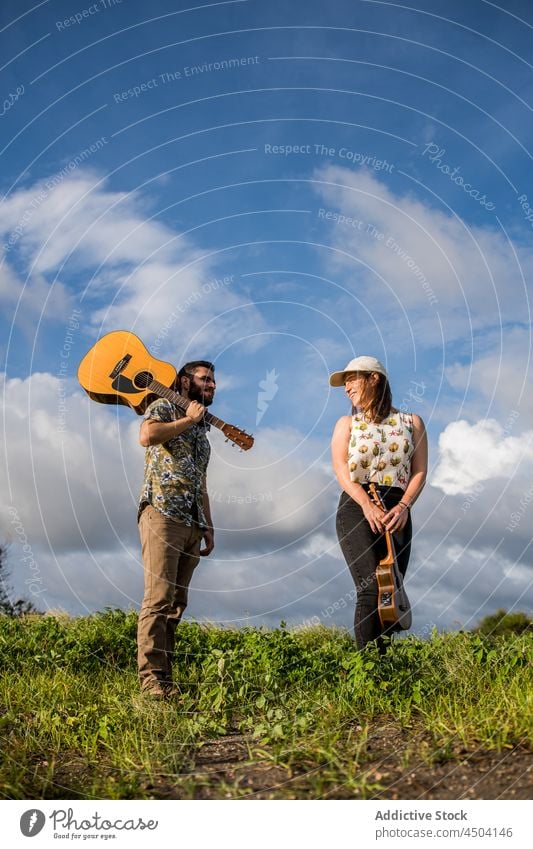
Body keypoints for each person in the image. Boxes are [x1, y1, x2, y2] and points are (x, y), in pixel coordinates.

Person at [330, 356, 427, 652]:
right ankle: (365, 670)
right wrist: (366, 505)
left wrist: (404, 506)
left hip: (398, 509)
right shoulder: (348, 423)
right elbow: (341, 468)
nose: (346, 388)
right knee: (370, 587)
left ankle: (382, 670)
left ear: (374, 378)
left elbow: (420, 471)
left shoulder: (412, 422)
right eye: (344, 383)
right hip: (357, 506)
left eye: (352, 379)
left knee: (390, 591)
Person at [137, 360, 216, 698]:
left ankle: (166, 680)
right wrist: (188, 419)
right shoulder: (165, 405)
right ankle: (150, 679)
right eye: (205, 379)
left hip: (192, 520)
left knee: (177, 603)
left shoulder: (203, 434)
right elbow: (147, 435)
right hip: (162, 511)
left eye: (214, 381)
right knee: (158, 597)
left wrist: (208, 525)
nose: (212, 385)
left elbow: (201, 483)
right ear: (185, 382)